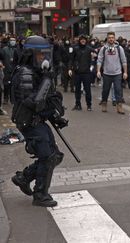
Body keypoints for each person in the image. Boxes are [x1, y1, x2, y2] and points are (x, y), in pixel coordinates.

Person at [10, 35, 68, 207]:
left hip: (38, 120)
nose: (44, 58)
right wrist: (47, 80)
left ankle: (23, 178)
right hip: (29, 122)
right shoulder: (25, 73)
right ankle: (40, 194)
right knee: (47, 156)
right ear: (30, 54)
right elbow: (34, 103)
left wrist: (56, 116)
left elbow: (46, 101)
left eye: (45, 54)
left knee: (55, 155)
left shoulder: (38, 72)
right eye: (40, 55)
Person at [96, 31, 128, 114]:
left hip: (117, 73)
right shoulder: (103, 49)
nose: (111, 39)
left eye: (112, 37)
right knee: (105, 90)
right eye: (109, 38)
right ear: (107, 39)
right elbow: (99, 60)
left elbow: (124, 61)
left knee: (118, 90)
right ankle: (104, 103)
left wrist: (125, 72)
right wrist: (98, 71)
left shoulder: (119, 48)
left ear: (115, 38)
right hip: (106, 73)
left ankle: (119, 106)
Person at [69, 35, 95, 111]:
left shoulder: (90, 49)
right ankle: (78, 104)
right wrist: (70, 68)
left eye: (84, 39)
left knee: (87, 90)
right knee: (77, 90)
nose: (83, 41)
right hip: (77, 72)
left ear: (86, 41)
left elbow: (93, 58)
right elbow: (71, 59)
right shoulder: (75, 49)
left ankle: (89, 105)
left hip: (86, 72)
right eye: (81, 40)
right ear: (79, 40)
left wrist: (92, 66)